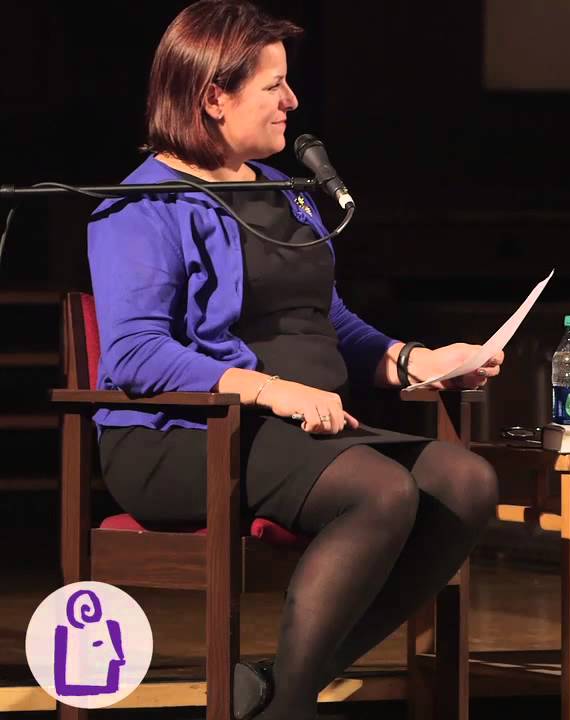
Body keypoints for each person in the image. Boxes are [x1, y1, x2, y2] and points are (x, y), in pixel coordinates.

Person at [86, 2, 502, 718]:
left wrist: (419, 360)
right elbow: (134, 352)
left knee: (465, 481)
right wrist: (268, 389)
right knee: (381, 491)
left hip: (295, 430)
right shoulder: (142, 206)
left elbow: (326, 323)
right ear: (213, 97)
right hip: (180, 435)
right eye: (274, 85)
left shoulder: (285, 194)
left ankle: (280, 688)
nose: (293, 100)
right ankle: (293, 704)